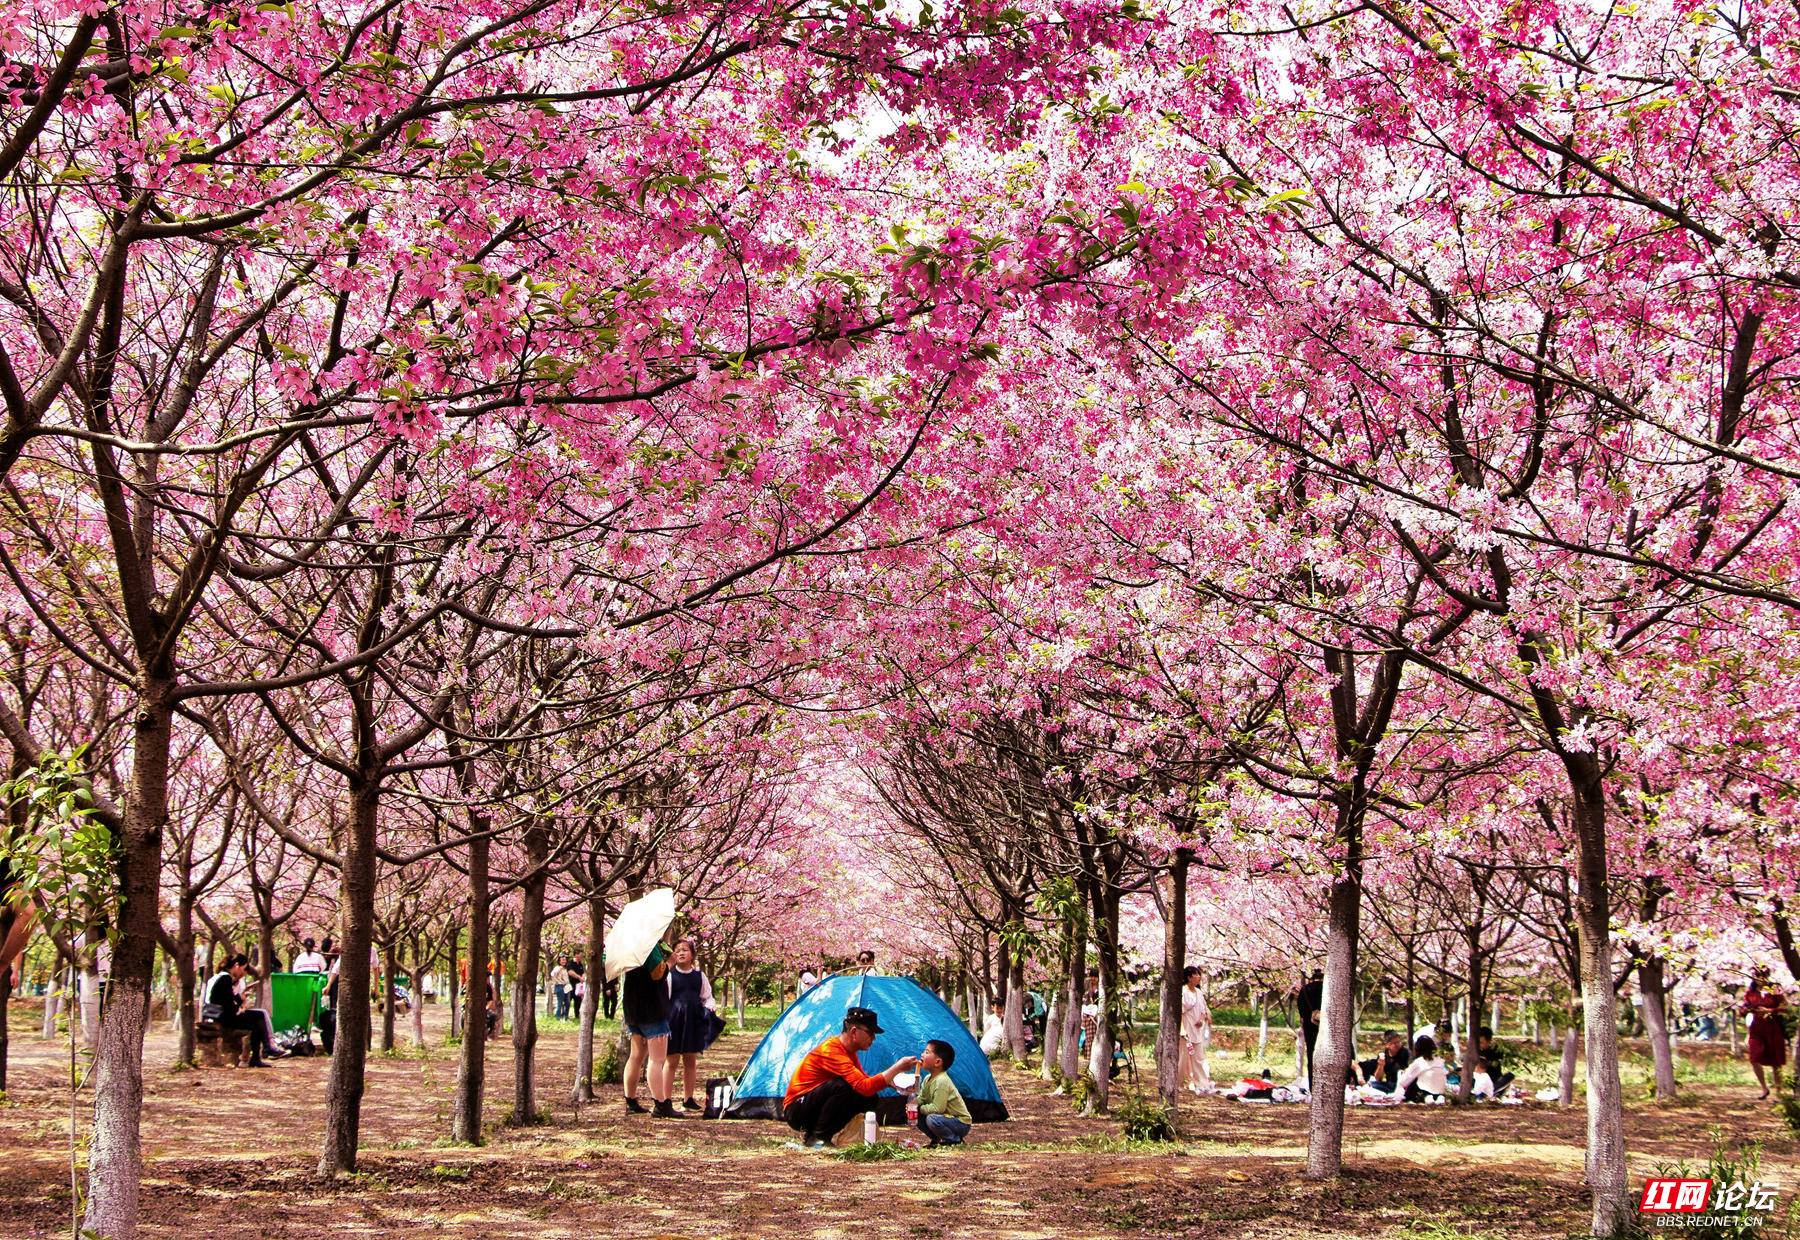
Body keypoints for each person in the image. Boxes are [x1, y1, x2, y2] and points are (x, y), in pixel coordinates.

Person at [784, 1006, 917, 1148]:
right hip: (796, 1110)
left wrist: (897, 1082)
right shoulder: (832, 1050)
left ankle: (822, 1134)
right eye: (870, 1033)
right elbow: (864, 1086)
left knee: (870, 1098)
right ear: (854, 1032)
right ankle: (818, 1137)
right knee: (843, 1087)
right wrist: (897, 1067)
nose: (873, 1039)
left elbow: (865, 1082)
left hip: (811, 1105)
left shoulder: (849, 1051)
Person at [622, 942, 678, 1117]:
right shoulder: (648, 944)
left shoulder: (627, 946)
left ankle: (630, 1101)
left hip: (633, 1007)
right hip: (652, 1008)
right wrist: (670, 962)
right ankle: (661, 1104)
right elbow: (657, 974)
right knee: (657, 1059)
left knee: (636, 1056)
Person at [666, 939, 723, 1111]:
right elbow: (665, 997)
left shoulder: (700, 976)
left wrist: (710, 1007)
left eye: (685, 950)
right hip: (674, 1021)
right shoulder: (669, 975)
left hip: (693, 1020)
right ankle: (665, 1099)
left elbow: (707, 996)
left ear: (692, 954)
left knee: (690, 1060)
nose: (681, 953)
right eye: (677, 950)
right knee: (672, 1061)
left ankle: (688, 1098)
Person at [205, 955, 283, 1067]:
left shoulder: (219, 977)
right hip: (223, 1017)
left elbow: (226, 999)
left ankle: (261, 1053)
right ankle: (265, 1050)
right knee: (258, 1017)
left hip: (217, 1014)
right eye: (244, 968)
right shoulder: (225, 978)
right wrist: (239, 1007)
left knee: (257, 1019)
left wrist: (238, 1000)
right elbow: (227, 1003)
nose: (244, 972)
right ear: (236, 966)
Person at [915, 1038, 972, 1147]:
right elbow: (921, 1097)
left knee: (931, 1119)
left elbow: (938, 1108)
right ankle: (936, 1139)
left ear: (937, 1062)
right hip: (944, 1119)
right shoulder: (927, 1079)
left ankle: (954, 1140)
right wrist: (914, 1103)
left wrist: (920, 1108)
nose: (922, 1054)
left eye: (927, 1052)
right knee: (916, 1115)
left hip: (960, 1123)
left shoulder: (942, 1081)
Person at [1743, 966, 1788, 1099]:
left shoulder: (1775, 989)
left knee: (1776, 1061)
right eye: (1757, 975)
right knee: (1754, 1057)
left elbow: (1785, 1006)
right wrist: (1746, 1010)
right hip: (1756, 1027)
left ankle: (1779, 1092)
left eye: (1763, 975)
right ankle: (1764, 1088)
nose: (1760, 978)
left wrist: (1769, 1011)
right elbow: (1744, 1007)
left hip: (1772, 1027)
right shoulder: (1750, 992)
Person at [1179, 966, 1214, 1094]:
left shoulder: (1199, 992)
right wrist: (1182, 1030)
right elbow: (1180, 1012)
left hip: (1197, 1030)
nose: (1198, 977)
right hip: (1186, 1029)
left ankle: (1202, 1082)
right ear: (1189, 977)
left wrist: (1202, 1018)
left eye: (1199, 975)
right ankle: (1183, 1083)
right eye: (1195, 975)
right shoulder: (1183, 992)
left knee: (1198, 1057)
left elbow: (1204, 1008)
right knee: (1184, 1058)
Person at [1395, 1035, 1448, 1102]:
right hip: (1441, 1091)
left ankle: (1426, 1097)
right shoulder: (1440, 1060)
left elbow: (1404, 1081)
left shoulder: (1419, 1062)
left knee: (1411, 1079)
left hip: (1424, 1091)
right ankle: (1438, 1097)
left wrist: (1401, 1074)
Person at [1297, 968, 1324, 1081]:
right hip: (1325, 1027)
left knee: (1311, 1054)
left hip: (1309, 1027)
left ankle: (1312, 1084)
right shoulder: (1327, 990)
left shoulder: (1304, 990)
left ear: (1312, 978)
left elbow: (1301, 1009)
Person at [1475, 1026, 1514, 1096]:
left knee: (1510, 1076)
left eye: (1481, 1042)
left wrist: (1487, 1063)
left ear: (1489, 1041)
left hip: (1494, 1079)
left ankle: (1493, 1091)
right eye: (1478, 1042)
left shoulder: (1496, 1051)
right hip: (1480, 1080)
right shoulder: (1476, 1051)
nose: (1479, 1045)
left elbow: (1496, 1064)